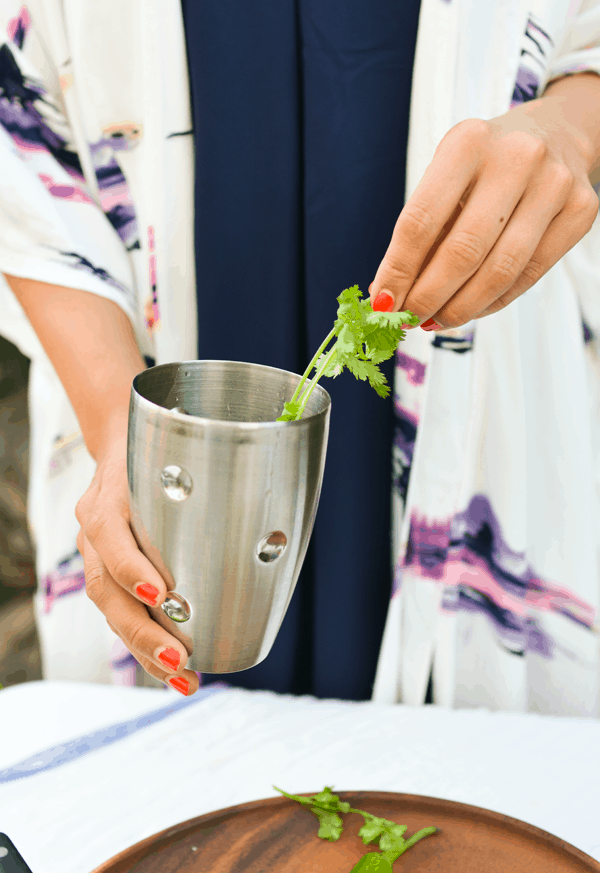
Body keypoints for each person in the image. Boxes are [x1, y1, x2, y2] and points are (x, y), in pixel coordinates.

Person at [1, 0, 600, 714]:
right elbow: (22, 127)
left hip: (482, 381)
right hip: (136, 350)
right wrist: (119, 435)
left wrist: (564, 132)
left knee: (455, 786)